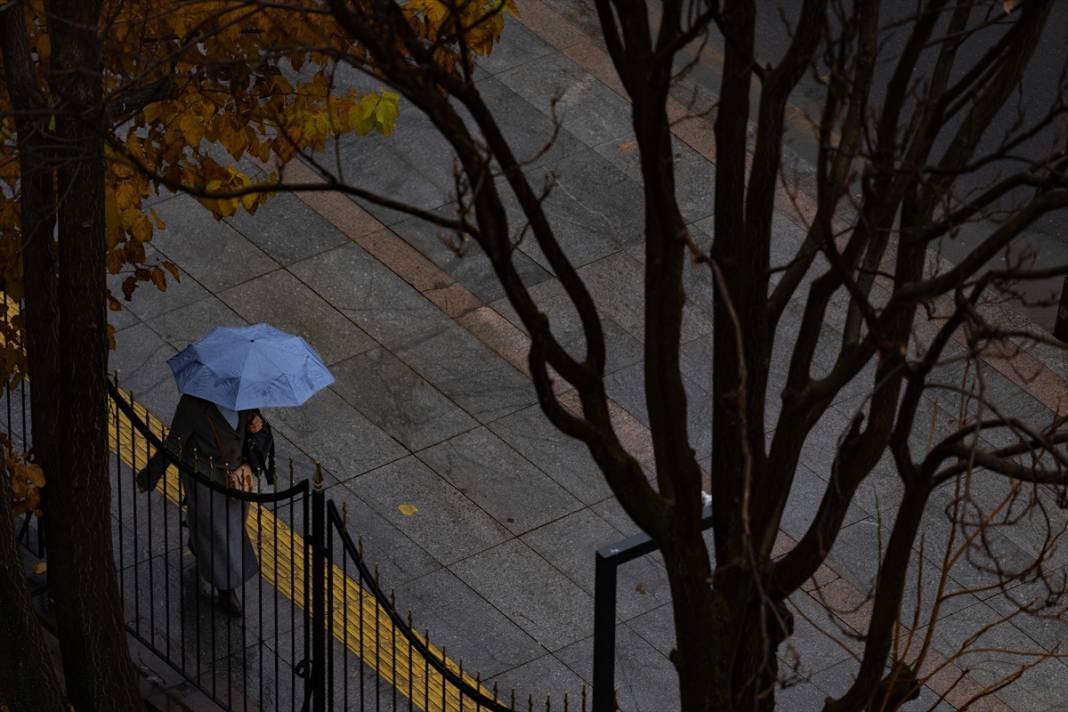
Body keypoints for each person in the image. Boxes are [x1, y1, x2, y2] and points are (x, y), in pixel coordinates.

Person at [136, 394, 265, 617]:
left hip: (238, 480)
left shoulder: (244, 396)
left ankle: (197, 538)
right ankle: (226, 588)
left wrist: (257, 423)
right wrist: (151, 475)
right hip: (207, 479)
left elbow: (250, 431)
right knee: (220, 536)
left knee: (229, 527)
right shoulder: (192, 405)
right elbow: (174, 445)